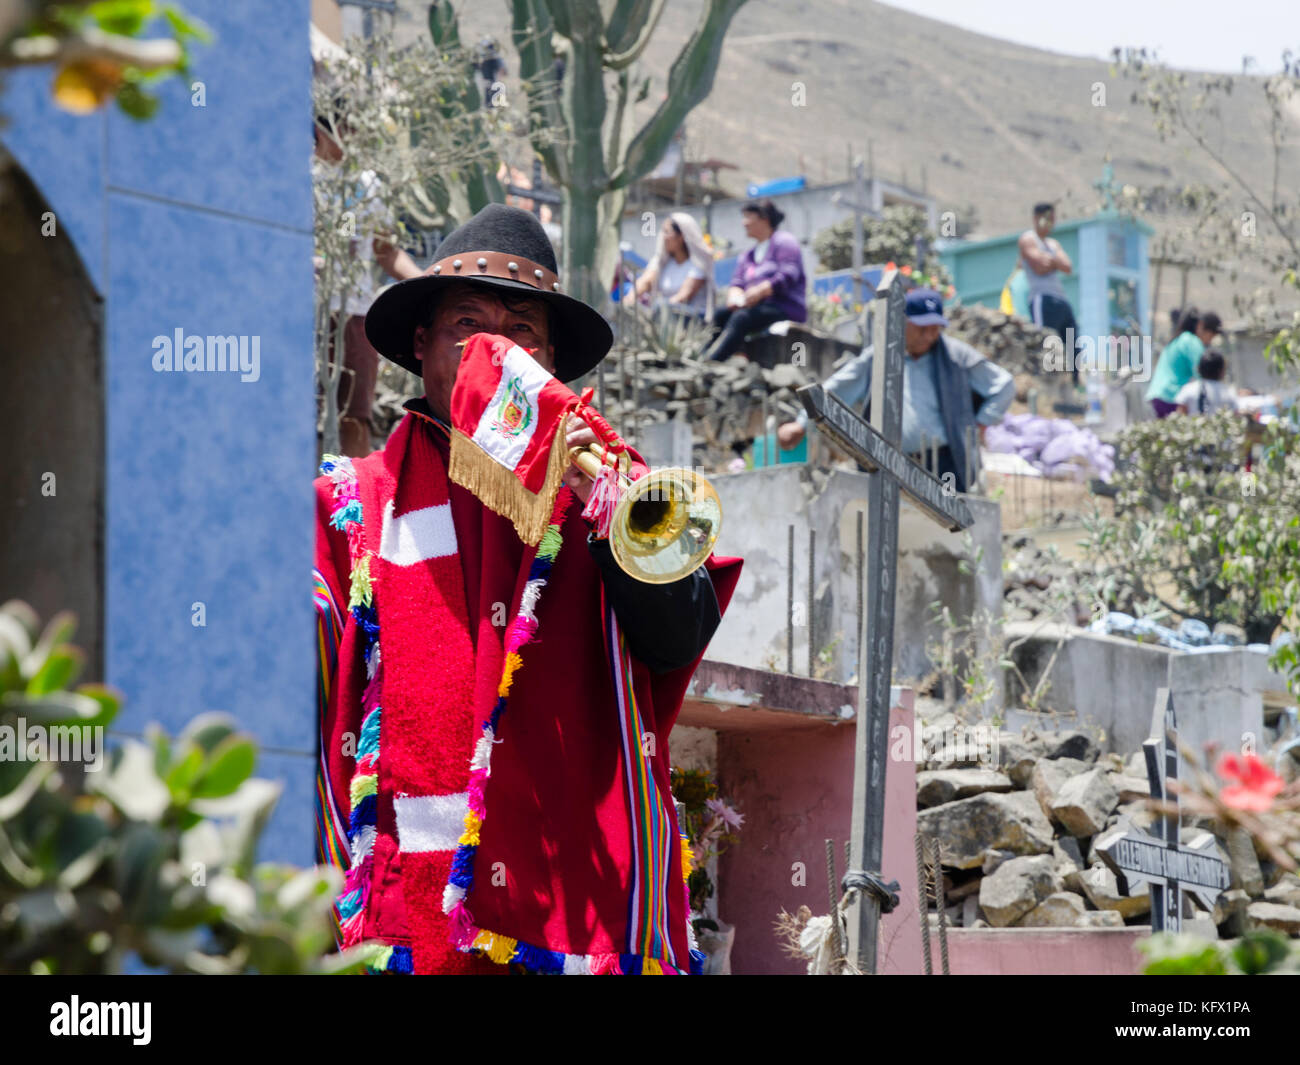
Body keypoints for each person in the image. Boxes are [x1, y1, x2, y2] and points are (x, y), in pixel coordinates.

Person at [313, 203, 742, 975]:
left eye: (521, 336)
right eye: (467, 327)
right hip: (412, 909)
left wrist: (605, 496)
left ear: (549, 362)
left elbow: (677, 638)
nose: (495, 352)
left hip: (580, 909)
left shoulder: (605, 487)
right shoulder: (354, 502)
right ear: (421, 345)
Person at [776, 288, 1013, 494]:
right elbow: (837, 389)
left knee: (945, 532)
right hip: (890, 462)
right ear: (903, 322)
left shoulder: (956, 356)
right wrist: (801, 424)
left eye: (935, 329)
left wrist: (981, 422)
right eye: (922, 328)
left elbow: (1003, 385)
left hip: (944, 462)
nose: (929, 336)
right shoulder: (879, 357)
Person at [314, 110, 423, 457]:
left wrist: (429, 284)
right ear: (323, 129)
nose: (354, 134)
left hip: (356, 314)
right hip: (306, 312)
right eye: (347, 126)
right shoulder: (302, 179)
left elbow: (384, 250)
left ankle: (353, 503)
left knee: (355, 416)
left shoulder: (368, 186)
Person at [702, 198, 806, 361]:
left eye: (748, 217)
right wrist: (735, 298)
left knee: (741, 318)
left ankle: (712, 361)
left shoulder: (784, 241)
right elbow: (737, 283)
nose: (744, 223)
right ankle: (700, 356)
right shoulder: (748, 254)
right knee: (720, 315)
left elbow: (789, 274)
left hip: (784, 307)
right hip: (755, 307)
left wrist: (760, 291)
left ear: (764, 218)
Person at [1019, 203, 1080, 383]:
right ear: (1037, 218)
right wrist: (1055, 262)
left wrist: (1050, 261)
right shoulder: (1027, 239)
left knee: (1073, 348)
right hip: (1042, 299)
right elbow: (1039, 266)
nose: (1052, 223)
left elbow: (1067, 266)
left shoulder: (1053, 243)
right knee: (1046, 344)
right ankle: (1045, 389)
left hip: (1061, 300)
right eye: (1048, 218)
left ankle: (1074, 388)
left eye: (1053, 219)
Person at [634, 212, 713, 319]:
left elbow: (683, 297)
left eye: (667, 232)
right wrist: (628, 300)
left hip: (691, 319)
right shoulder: (663, 263)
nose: (663, 237)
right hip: (664, 315)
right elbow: (645, 281)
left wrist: (658, 310)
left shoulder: (698, 264)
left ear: (681, 236)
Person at [1145, 307, 1222, 418]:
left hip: (1158, 395)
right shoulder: (1191, 341)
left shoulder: (1178, 339)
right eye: (1211, 336)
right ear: (1200, 326)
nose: (1210, 341)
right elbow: (1202, 374)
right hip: (1171, 396)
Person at [1174, 349, 1237, 415]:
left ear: (1199, 368)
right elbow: (1236, 416)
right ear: (1222, 371)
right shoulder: (1229, 392)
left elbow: (1180, 415)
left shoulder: (1188, 389)